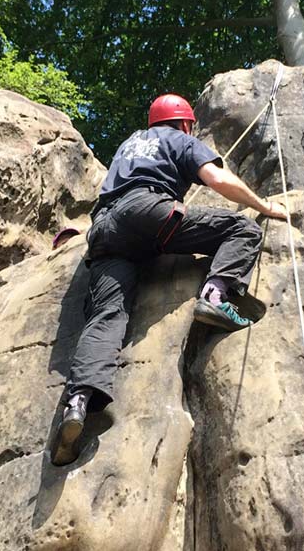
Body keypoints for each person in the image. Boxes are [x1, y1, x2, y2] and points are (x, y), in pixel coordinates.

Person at [51, 93, 289, 465]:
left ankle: (78, 403)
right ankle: (214, 296)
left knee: (107, 315)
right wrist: (264, 206)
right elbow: (216, 178)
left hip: (104, 232)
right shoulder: (179, 139)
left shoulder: (128, 146)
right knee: (241, 228)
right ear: (184, 123)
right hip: (148, 213)